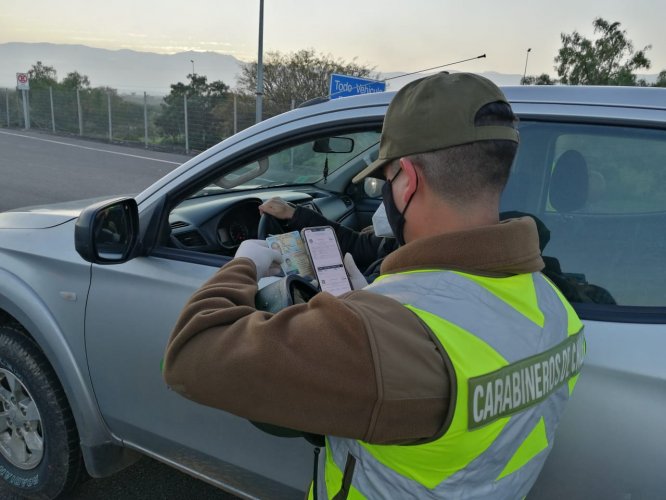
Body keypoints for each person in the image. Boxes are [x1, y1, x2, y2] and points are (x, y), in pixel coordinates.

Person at [163, 72, 585, 499]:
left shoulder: (380, 337)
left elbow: (192, 355)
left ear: (408, 178)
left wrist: (244, 266)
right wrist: (370, 302)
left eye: (385, 180)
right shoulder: (556, 311)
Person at [259, 197, 397, 282]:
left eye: (389, 180)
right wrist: (294, 214)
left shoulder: (405, 267)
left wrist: (243, 265)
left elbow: (374, 293)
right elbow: (357, 244)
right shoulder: (400, 238)